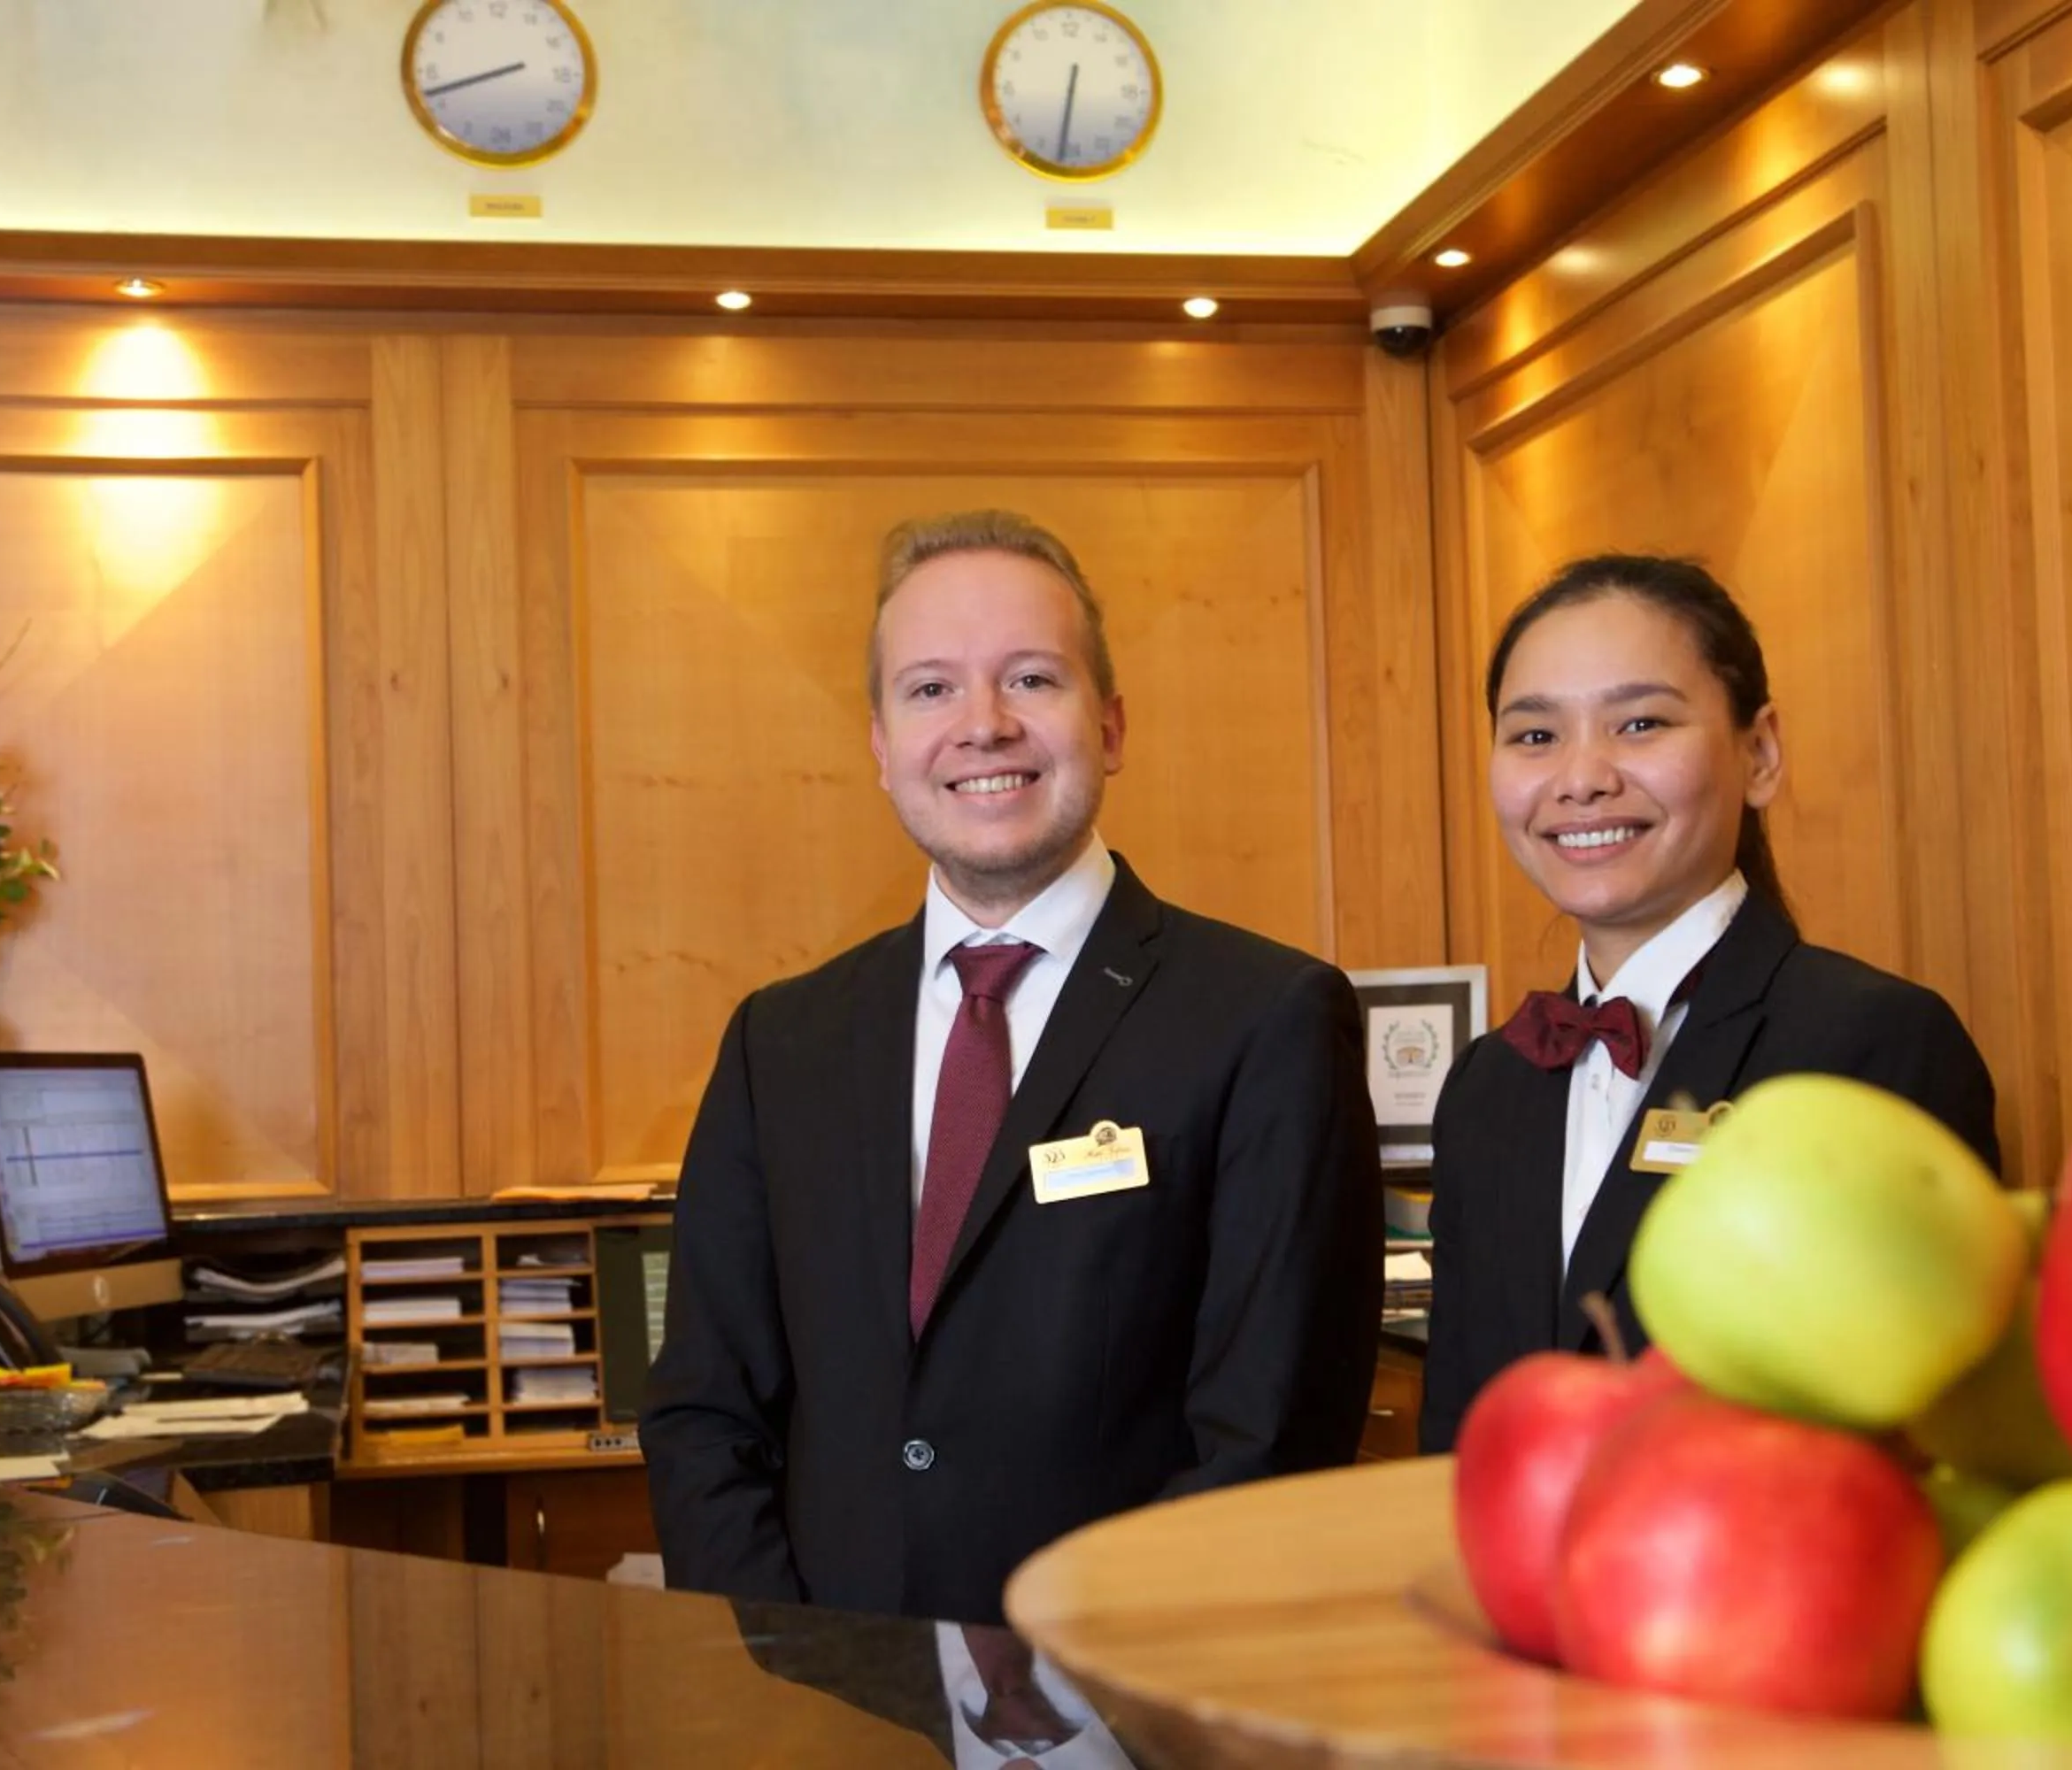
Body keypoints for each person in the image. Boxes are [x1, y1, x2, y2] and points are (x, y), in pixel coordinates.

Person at [643, 509, 1383, 1625]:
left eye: (1031, 678)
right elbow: (706, 1411)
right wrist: (788, 1672)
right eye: (931, 689)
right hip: (832, 1717)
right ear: (881, 746)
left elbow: (1272, 1436)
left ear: (1112, 723)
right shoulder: (777, 1041)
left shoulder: (1265, 1019)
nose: (982, 726)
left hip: (1126, 1710)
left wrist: (1102, 1698)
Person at [1415, 555, 1999, 1453]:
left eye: (1640, 722)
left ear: (1758, 753)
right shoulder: (1486, 1085)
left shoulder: (1872, 1042)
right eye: (1535, 736)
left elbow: (1928, 1426)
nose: (1582, 777)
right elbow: (1459, 1441)